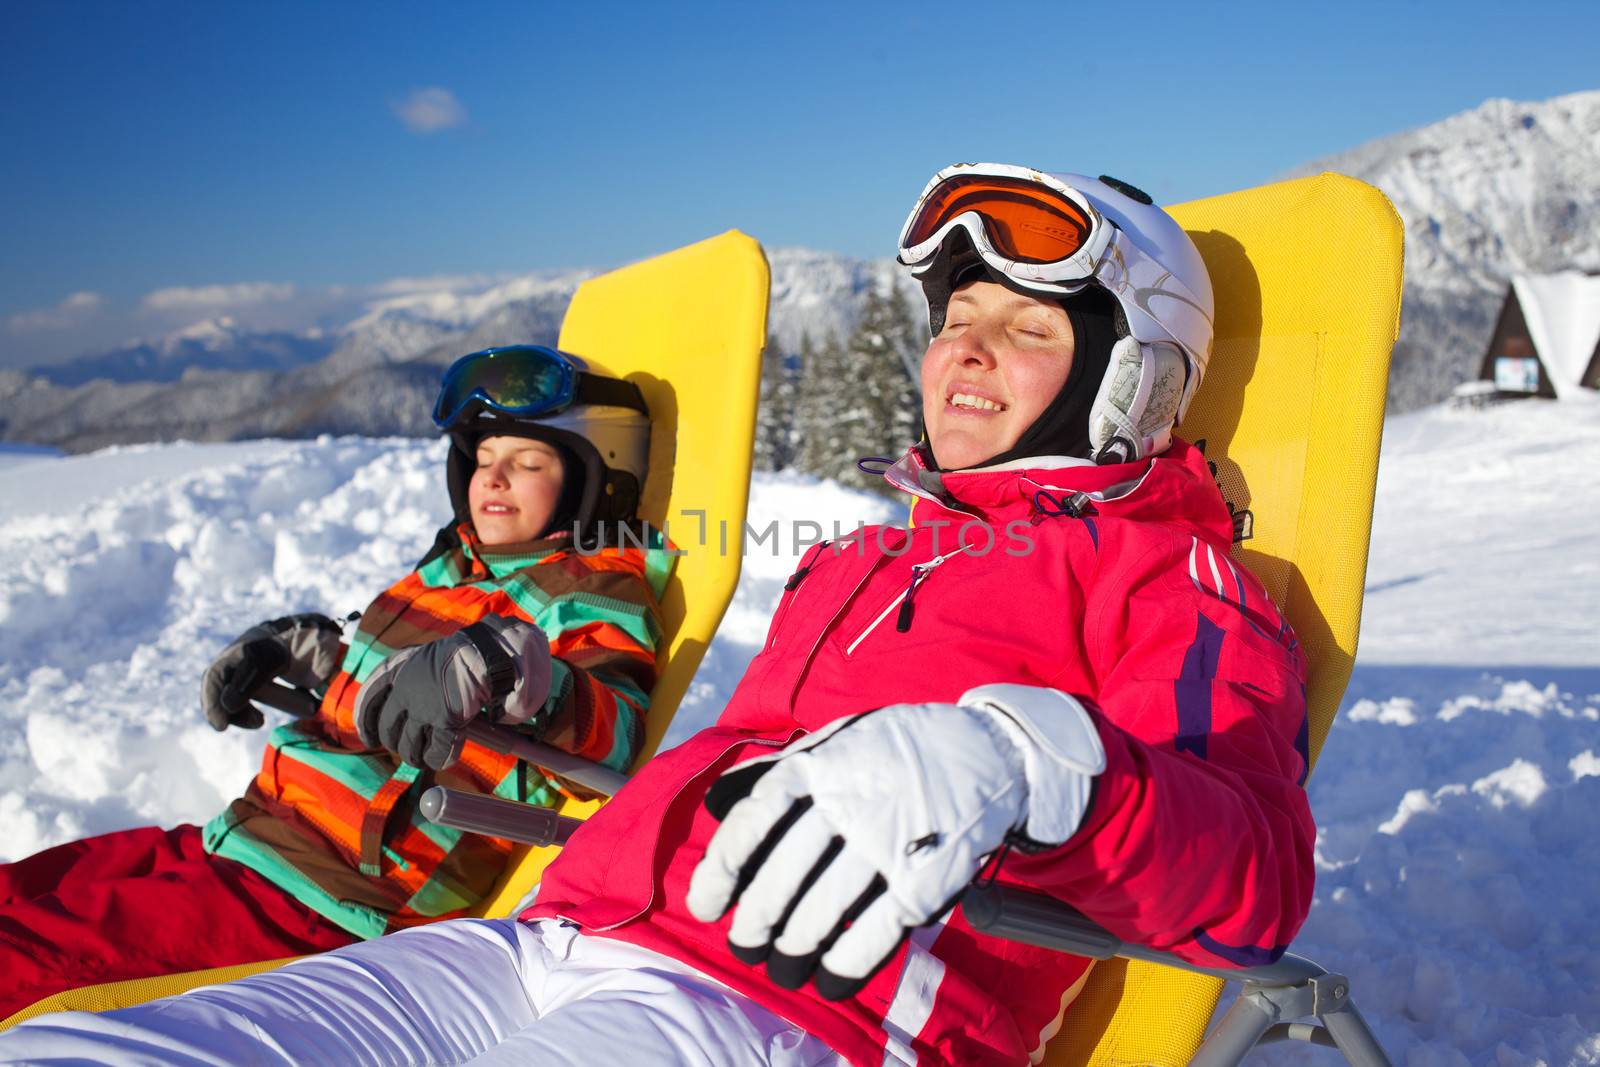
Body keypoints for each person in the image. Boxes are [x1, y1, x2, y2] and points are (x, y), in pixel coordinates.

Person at [0, 166, 1314, 1067]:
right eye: (956, 316)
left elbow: (1254, 877)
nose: (965, 346)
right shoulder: (861, 558)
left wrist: (1035, 762)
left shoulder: (1175, 583)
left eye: (1025, 327)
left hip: (793, 1000)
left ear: (1131, 375)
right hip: (546, 936)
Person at [0, 345, 673, 1019]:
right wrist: (304, 654)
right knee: (23, 889)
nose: (494, 477)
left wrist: (512, 667)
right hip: (252, 835)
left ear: (594, 477)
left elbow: (609, 741)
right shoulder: (456, 566)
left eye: (528, 462)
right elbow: (386, 679)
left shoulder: (591, 589)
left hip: (325, 896)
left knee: (25, 955)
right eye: (485, 457)